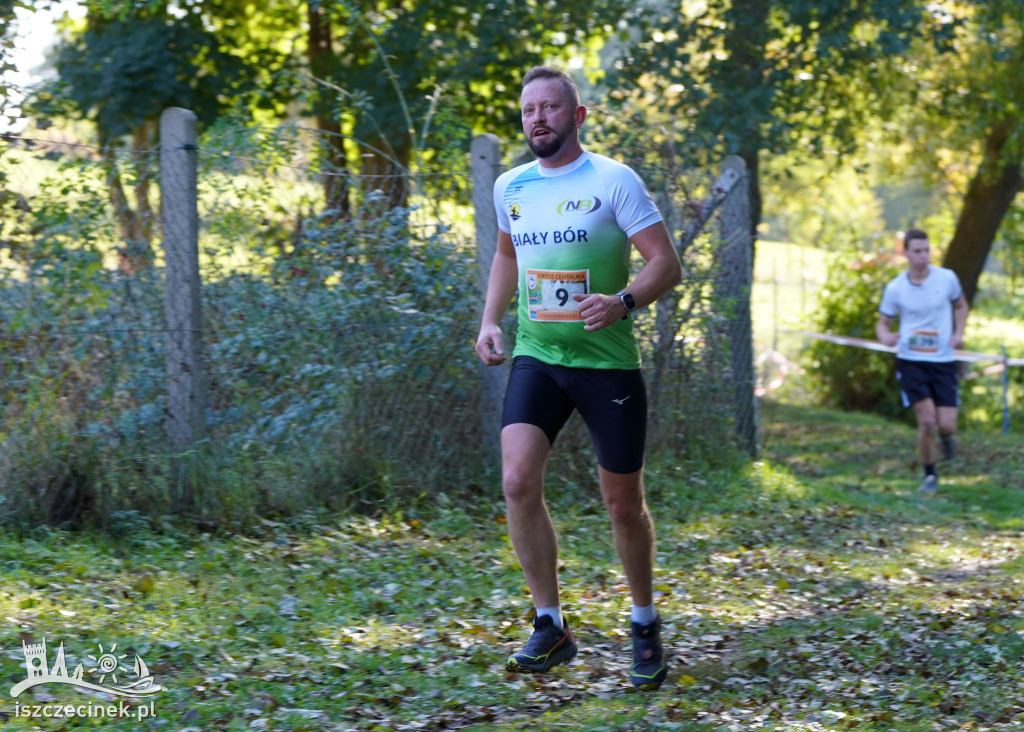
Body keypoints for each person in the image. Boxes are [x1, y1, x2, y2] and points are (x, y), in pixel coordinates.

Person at [475, 66, 682, 689]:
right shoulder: (511, 187)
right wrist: (489, 320)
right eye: (528, 110)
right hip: (538, 355)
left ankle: (643, 624)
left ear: (577, 115)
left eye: (550, 108)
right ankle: (550, 623)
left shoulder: (614, 181)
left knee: (623, 506)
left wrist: (623, 301)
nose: (537, 119)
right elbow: (508, 256)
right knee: (516, 481)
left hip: (607, 362)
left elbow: (665, 264)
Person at [876, 228, 969, 494]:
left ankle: (947, 437)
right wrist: (886, 337)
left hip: (942, 361)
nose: (923, 256)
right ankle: (930, 476)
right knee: (927, 421)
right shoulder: (895, 288)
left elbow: (961, 306)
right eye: (917, 251)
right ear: (905, 253)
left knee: (946, 424)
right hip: (911, 361)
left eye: (927, 250)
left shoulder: (946, 279)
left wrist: (958, 333)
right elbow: (883, 324)